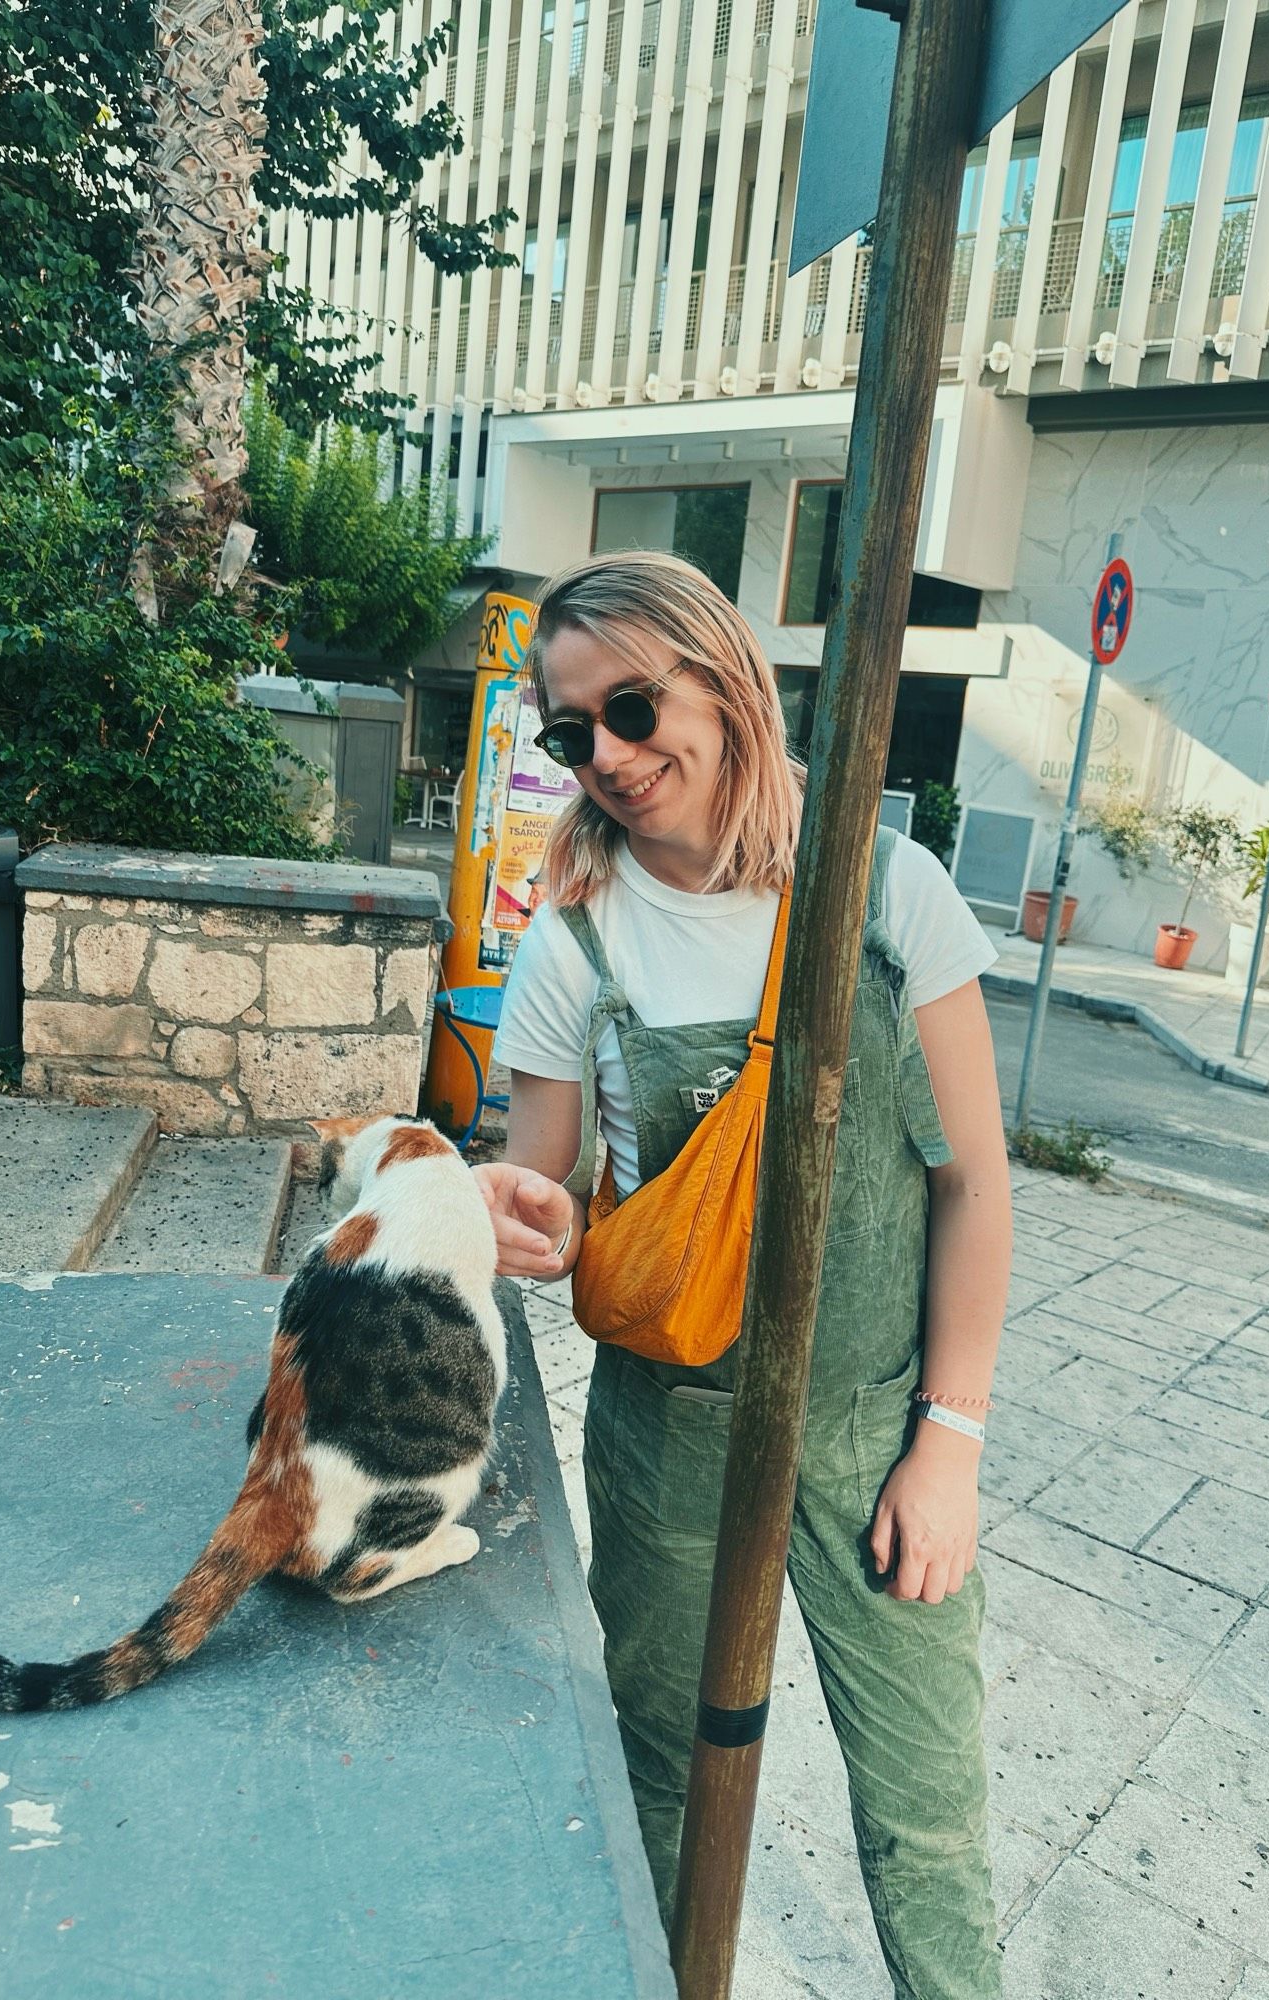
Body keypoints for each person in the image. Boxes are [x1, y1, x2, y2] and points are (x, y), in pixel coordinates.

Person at [471, 549, 1010, 2000]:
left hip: (874, 1437)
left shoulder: (888, 892)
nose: (614, 758)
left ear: (725, 677)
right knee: (654, 1779)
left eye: (635, 708)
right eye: (574, 734)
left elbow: (972, 1184)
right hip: (667, 1445)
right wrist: (514, 1214)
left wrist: (948, 1441)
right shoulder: (573, 942)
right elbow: (561, 1198)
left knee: (926, 1809)